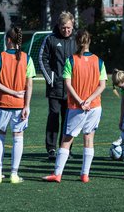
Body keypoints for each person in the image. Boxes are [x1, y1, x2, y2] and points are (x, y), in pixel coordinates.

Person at [42, 29, 107, 183]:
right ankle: (85, 174)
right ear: (89, 41)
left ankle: (57, 174)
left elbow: (68, 84)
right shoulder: (99, 61)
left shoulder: (71, 60)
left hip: (77, 107)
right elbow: (102, 85)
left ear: (76, 42)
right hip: (94, 106)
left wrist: (79, 101)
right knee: (89, 138)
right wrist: (89, 100)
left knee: (66, 139)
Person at [0, 27, 35, 184]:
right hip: (19, 104)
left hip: (2, 104)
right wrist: (26, 105)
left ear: (8, 39)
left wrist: (11, 92)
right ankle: (14, 174)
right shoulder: (26, 58)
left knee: (0, 137)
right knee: (18, 138)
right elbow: (29, 85)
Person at [39, 11, 77, 160]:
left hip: (72, 89)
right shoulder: (50, 39)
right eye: (63, 28)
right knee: (54, 117)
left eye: (68, 28)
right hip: (55, 88)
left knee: (69, 119)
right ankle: (51, 149)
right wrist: (51, 78)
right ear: (59, 26)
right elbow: (42, 59)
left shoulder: (76, 40)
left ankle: (66, 149)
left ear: (72, 26)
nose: (66, 30)